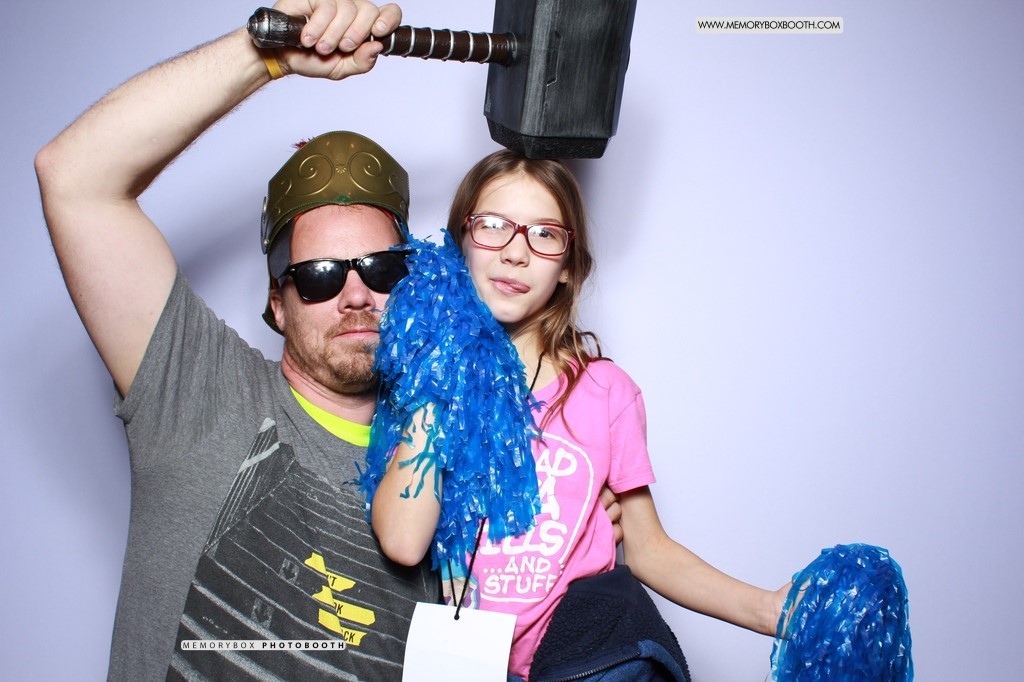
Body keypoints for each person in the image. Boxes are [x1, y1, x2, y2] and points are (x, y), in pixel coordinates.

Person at [35, 1, 432, 679]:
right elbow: (75, 176)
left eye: (382, 269)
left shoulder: (441, 453)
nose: (356, 294)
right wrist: (265, 56)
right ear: (277, 302)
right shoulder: (199, 391)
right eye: (320, 276)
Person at [366, 151, 791, 680]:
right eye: (493, 226)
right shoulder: (421, 377)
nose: (516, 253)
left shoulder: (606, 393)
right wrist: (440, 369)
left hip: (584, 660)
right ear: (460, 244)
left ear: (568, 266)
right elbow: (404, 543)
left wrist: (766, 610)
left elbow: (649, 549)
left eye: (544, 234)